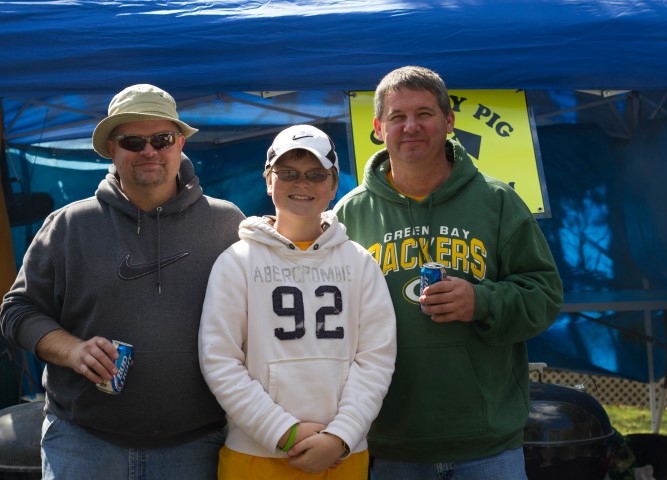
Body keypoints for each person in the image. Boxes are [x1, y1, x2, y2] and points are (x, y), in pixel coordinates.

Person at [0, 84, 245, 479]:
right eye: (133, 141)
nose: (149, 151)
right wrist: (72, 350)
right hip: (83, 444)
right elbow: (17, 311)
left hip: (197, 445)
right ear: (112, 149)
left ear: (180, 143)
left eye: (162, 139)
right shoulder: (69, 226)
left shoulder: (226, 224)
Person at [333, 66, 564, 479]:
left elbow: (544, 296)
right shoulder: (350, 214)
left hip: (487, 446)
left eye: (424, 114)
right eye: (398, 116)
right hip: (390, 443)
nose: (411, 127)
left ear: (449, 121)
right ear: (378, 128)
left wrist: (482, 300)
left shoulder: (498, 201)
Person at [198, 124, 397, 480]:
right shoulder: (237, 261)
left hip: (340, 456)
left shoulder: (359, 262)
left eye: (316, 175)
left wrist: (342, 434)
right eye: (288, 173)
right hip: (255, 457)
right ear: (268, 181)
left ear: (334, 186)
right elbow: (219, 359)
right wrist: (282, 431)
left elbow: (376, 358)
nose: (302, 184)